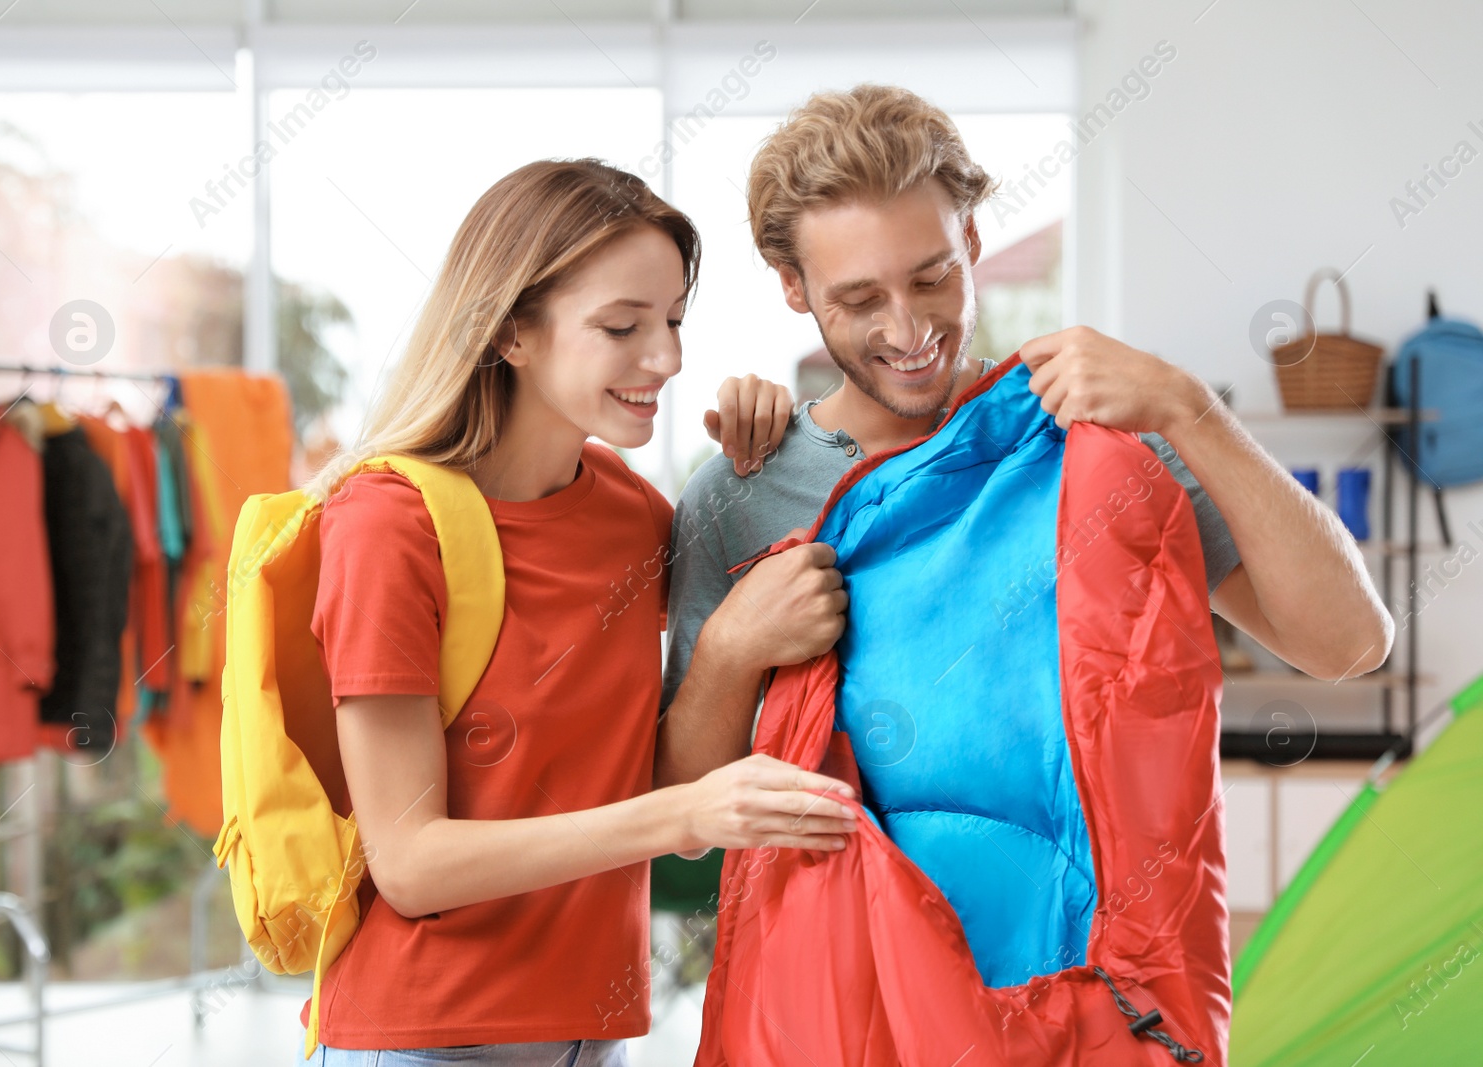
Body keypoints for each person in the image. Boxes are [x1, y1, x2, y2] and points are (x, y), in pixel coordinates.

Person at [655, 83, 1394, 970]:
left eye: (931, 276)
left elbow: (1348, 642)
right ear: (792, 287)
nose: (908, 327)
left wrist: (1191, 409)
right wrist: (733, 649)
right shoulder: (742, 493)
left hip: (1086, 985)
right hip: (847, 990)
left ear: (971, 238)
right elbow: (683, 822)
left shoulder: (1099, 440)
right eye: (858, 299)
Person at [298, 158, 855, 1066]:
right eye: (621, 326)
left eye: (673, 319)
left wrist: (777, 449)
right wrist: (684, 818)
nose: (667, 358)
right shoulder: (387, 524)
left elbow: (657, 763)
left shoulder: (632, 516)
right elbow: (410, 865)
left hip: (589, 1032)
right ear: (513, 331)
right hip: (428, 1036)